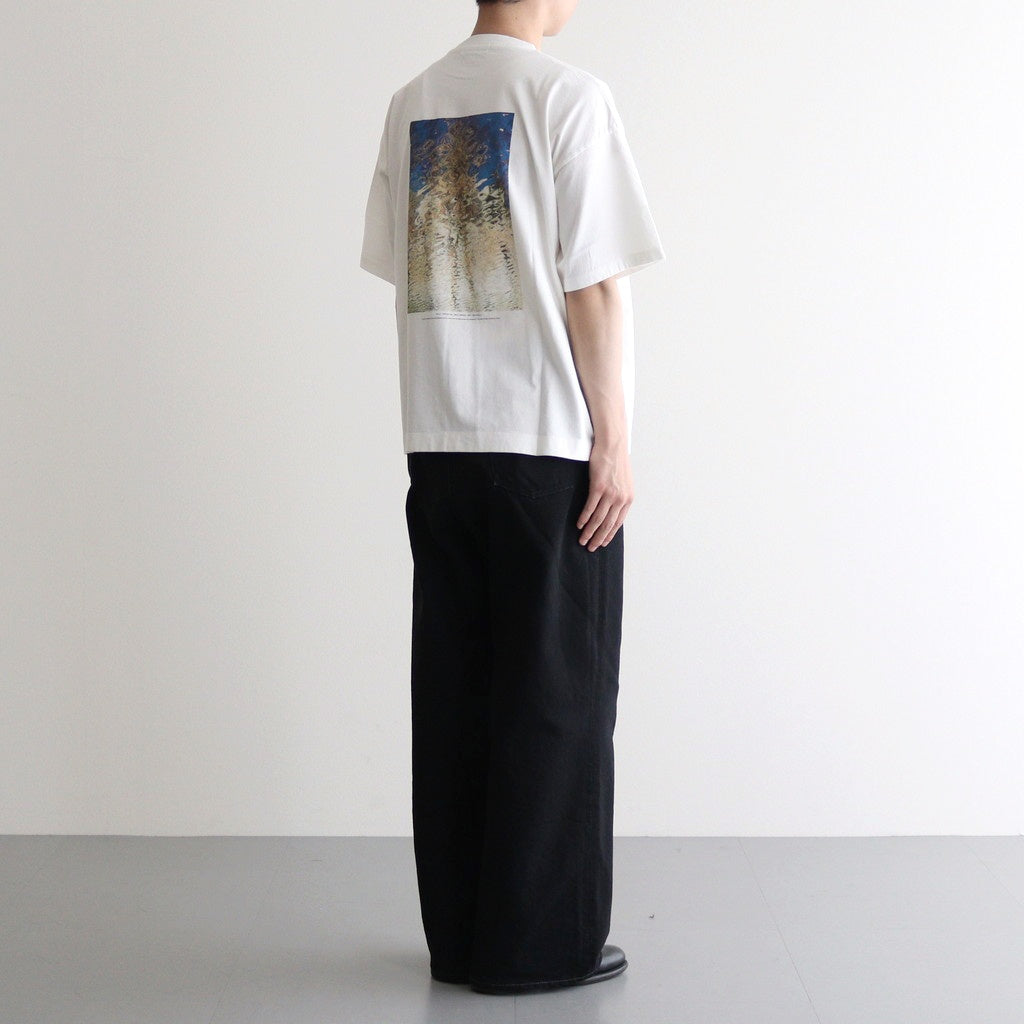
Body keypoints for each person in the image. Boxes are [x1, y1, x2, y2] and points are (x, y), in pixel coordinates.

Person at [359, 0, 665, 996]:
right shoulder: (566, 98)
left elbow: (414, 267)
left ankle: (461, 937)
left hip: (440, 441)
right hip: (543, 446)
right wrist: (612, 440)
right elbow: (594, 286)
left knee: (458, 693)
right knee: (556, 698)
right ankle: (539, 947)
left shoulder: (413, 101)